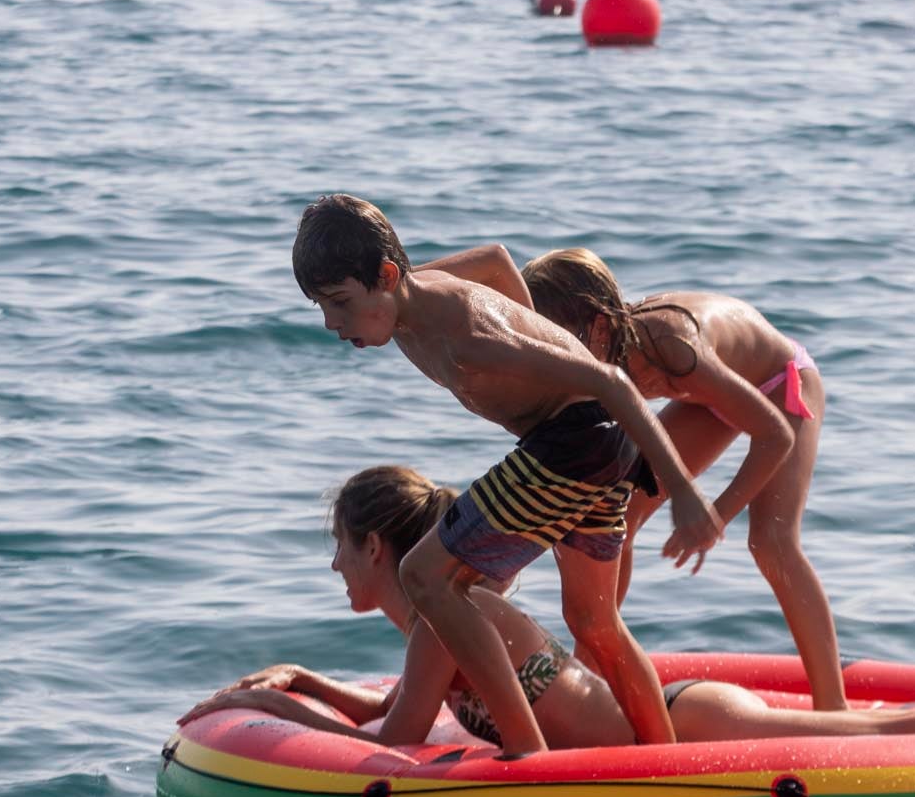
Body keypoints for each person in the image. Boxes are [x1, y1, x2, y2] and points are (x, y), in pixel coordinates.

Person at [177, 466, 915, 772]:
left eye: (336, 550)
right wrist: (303, 688)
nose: (332, 570)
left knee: (903, 737)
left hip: (690, 730)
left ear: (378, 548)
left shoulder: (438, 616)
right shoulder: (447, 610)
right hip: (667, 718)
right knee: (897, 732)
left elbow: (401, 741)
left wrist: (281, 713)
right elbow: (401, 713)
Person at [291, 195, 725, 755]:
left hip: (569, 446)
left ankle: (527, 753)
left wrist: (685, 493)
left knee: (426, 577)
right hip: (599, 447)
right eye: (322, 307)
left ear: (387, 275)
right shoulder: (409, 294)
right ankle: (665, 763)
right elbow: (496, 259)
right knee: (593, 621)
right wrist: (537, 329)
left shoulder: (468, 338)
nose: (332, 323)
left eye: (340, 303)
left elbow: (613, 385)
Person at [521, 247, 846, 709]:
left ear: (597, 326)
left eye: (557, 340)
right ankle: (593, 671)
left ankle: (833, 706)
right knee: (620, 516)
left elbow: (775, 436)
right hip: (709, 396)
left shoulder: (668, 346)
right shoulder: (601, 354)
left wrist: (715, 516)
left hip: (778, 382)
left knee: (771, 540)